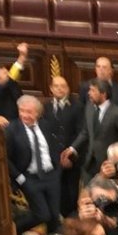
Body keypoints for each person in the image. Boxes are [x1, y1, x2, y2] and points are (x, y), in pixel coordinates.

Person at [5, 95, 63, 235]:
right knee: (42, 214)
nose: (25, 115)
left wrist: (57, 169)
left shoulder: (46, 125)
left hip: (51, 176)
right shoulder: (12, 129)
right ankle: (13, 231)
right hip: (29, 178)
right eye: (22, 111)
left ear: (37, 113)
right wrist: (20, 178)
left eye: (29, 112)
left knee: (54, 216)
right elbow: (5, 158)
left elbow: (54, 146)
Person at [63, 79, 118, 181]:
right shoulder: (89, 107)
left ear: (103, 93)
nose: (89, 93)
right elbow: (85, 132)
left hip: (109, 165)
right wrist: (72, 148)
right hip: (89, 163)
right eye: (89, 90)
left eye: (93, 90)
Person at [43, 76, 83, 217]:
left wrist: (70, 156)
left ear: (68, 89)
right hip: (52, 158)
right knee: (54, 191)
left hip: (71, 159)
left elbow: (80, 133)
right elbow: (44, 133)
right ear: (51, 89)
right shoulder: (45, 107)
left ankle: (70, 218)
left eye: (63, 86)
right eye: (56, 86)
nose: (60, 89)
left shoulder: (77, 107)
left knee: (70, 192)